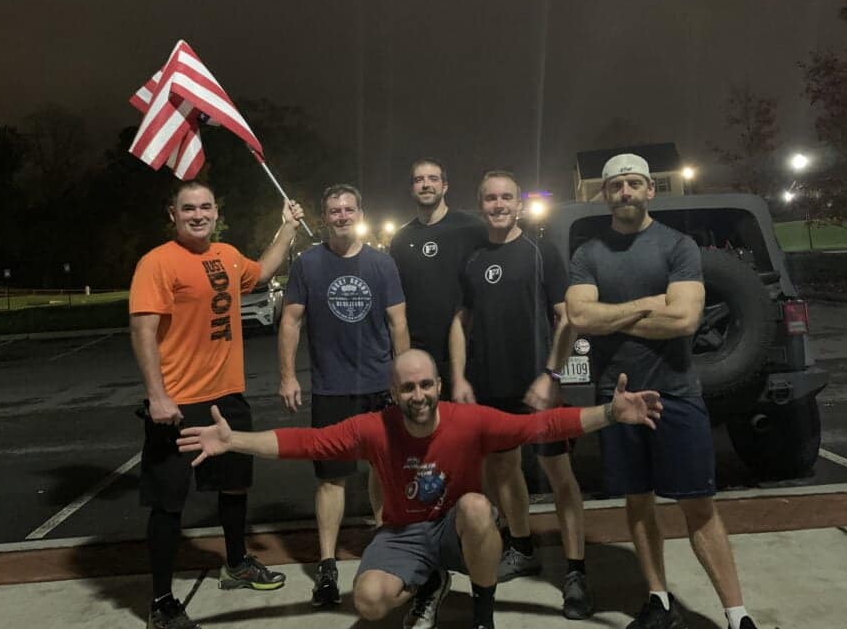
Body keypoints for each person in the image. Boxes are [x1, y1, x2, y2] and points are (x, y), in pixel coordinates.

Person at [178, 349, 664, 629]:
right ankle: (428, 582)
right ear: (394, 393)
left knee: (477, 506)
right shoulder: (374, 428)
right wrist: (234, 440)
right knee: (369, 602)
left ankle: (483, 615)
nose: (418, 395)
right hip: (404, 533)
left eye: (426, 385)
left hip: (456, 527)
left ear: (439, 386)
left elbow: (541, 425)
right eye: (408, 388)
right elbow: (304, 442)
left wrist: (610, 413)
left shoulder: (469, 421)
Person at [563, 153, 758, 629]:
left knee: (699, 504)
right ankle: (658, 601)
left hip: (676, 391)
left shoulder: (678, 246)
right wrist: (650, 305)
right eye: (616, 186)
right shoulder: (588, 254)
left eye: (634, 183)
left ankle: (737, 614)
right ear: (604, 194)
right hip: (618, 397)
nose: (625, 192)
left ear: (650, 189)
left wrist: (614, 315)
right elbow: (581, 317)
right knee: (637, 500)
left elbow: (685, 319)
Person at [130, 180, 304, 629]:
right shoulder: (157, 262)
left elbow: (261, 272)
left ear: (215, 212)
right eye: (188, 208)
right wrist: (157, 395)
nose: (198, 215)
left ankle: (236, 563)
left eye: (205, 207)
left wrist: (287, 227)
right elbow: (143, 331)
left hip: (227, 396)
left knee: (235, 486)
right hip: (178, 403)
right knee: (169, 502)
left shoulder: (226, 255)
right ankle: (162, 601)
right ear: (173, 214)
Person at [448, 170, 593, 619]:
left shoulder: (540, 251)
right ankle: (523, 547)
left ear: (519, 204)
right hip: (491, 386)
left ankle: (575, 572)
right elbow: (461, 321)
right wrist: (459, 378)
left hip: (538, 387)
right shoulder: (472, 258)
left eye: (506, 197)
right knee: (504, 471)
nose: (498, 205)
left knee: (560, 475)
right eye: (490, 198)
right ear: (481, 204)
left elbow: (567, 319)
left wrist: (551, 374)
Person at [278, 183, 410, 607]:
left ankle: (383, 546)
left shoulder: (381, 263)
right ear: (324, 217)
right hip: (331, 388)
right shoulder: (308, 264)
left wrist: (405, 379)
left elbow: (398, 324)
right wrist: (288, 376)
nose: (341, 216)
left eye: (348, 209)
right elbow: (290, 322)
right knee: (331, 478)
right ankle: (327, 564)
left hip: (378, 385)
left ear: (359, 214)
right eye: (334, 210)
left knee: (382, 471)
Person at [389, 158, 485, 397]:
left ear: (445, 186)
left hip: (469, 352)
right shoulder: (400, 239)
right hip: (421, 356)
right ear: (411, 188)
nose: (426, 184)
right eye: (419, 180)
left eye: (433, 179)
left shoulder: (473, 229)